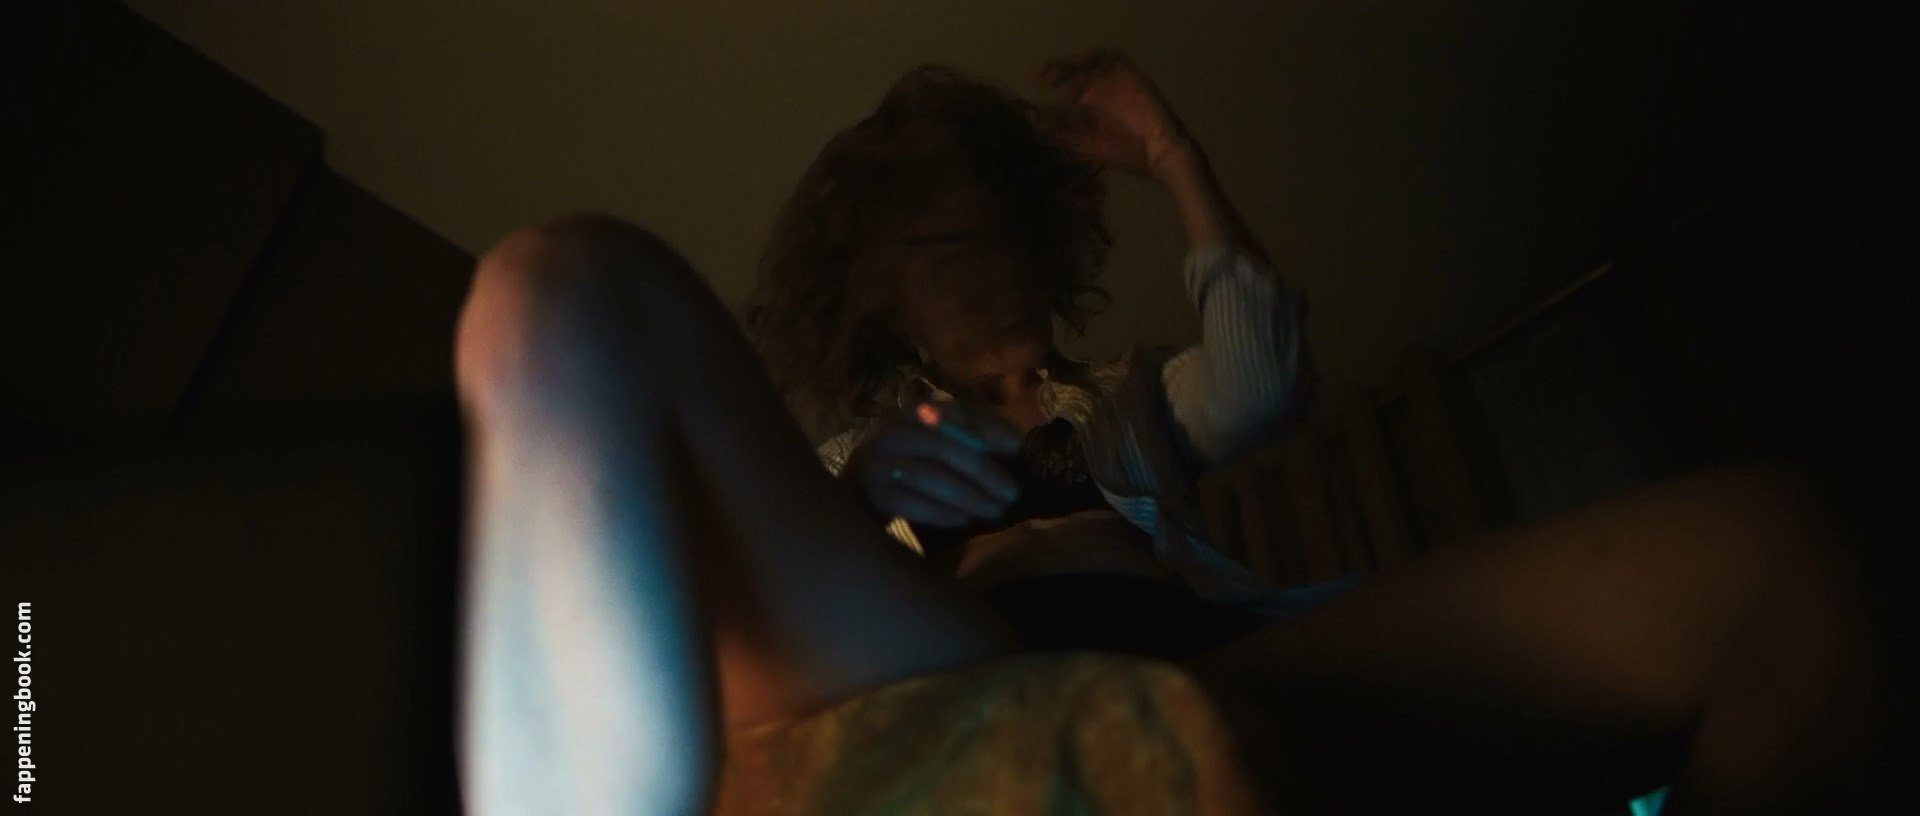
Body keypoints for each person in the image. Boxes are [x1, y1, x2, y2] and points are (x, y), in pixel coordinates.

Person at [454, 51, 1895, 815]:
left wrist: (1173, 159)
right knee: (559, 290)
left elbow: (1263, 379)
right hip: (950, 655)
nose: (985, 274)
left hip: (1217, 657)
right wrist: (863, 491)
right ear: (886, 292)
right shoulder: (867, 452)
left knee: (1781, 564)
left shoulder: (1124, 399)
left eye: (996, 237)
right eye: (941, 248)